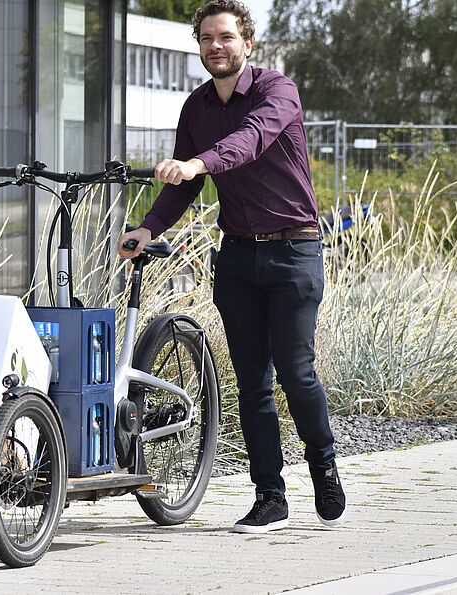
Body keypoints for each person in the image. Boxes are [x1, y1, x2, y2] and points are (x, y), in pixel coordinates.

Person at [117, 0, 346, 534]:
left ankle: (324, 464)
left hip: (295, 249)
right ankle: (270, 496)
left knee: (296, 370)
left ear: (246, 43)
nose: (214, 47)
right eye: (205, 39)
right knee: (252, 382)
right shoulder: (196, 107)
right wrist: (149, 229)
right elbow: (186, 187)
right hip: (238, 254)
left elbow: (249, 143)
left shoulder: (276, 91)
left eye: (225, 37)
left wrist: (198, 160)